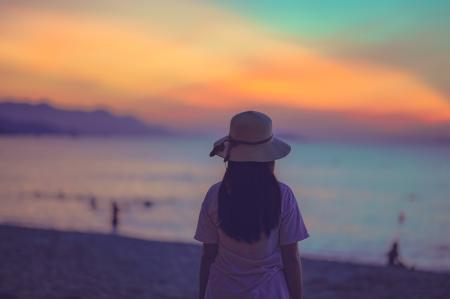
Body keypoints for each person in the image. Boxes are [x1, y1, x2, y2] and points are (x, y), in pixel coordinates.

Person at [194, 111, 309, 299]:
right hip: (270, 292)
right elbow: (291, 258)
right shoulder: (283, 195)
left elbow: (208, 256)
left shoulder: (216, 194)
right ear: (269, 157)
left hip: (222, 290)